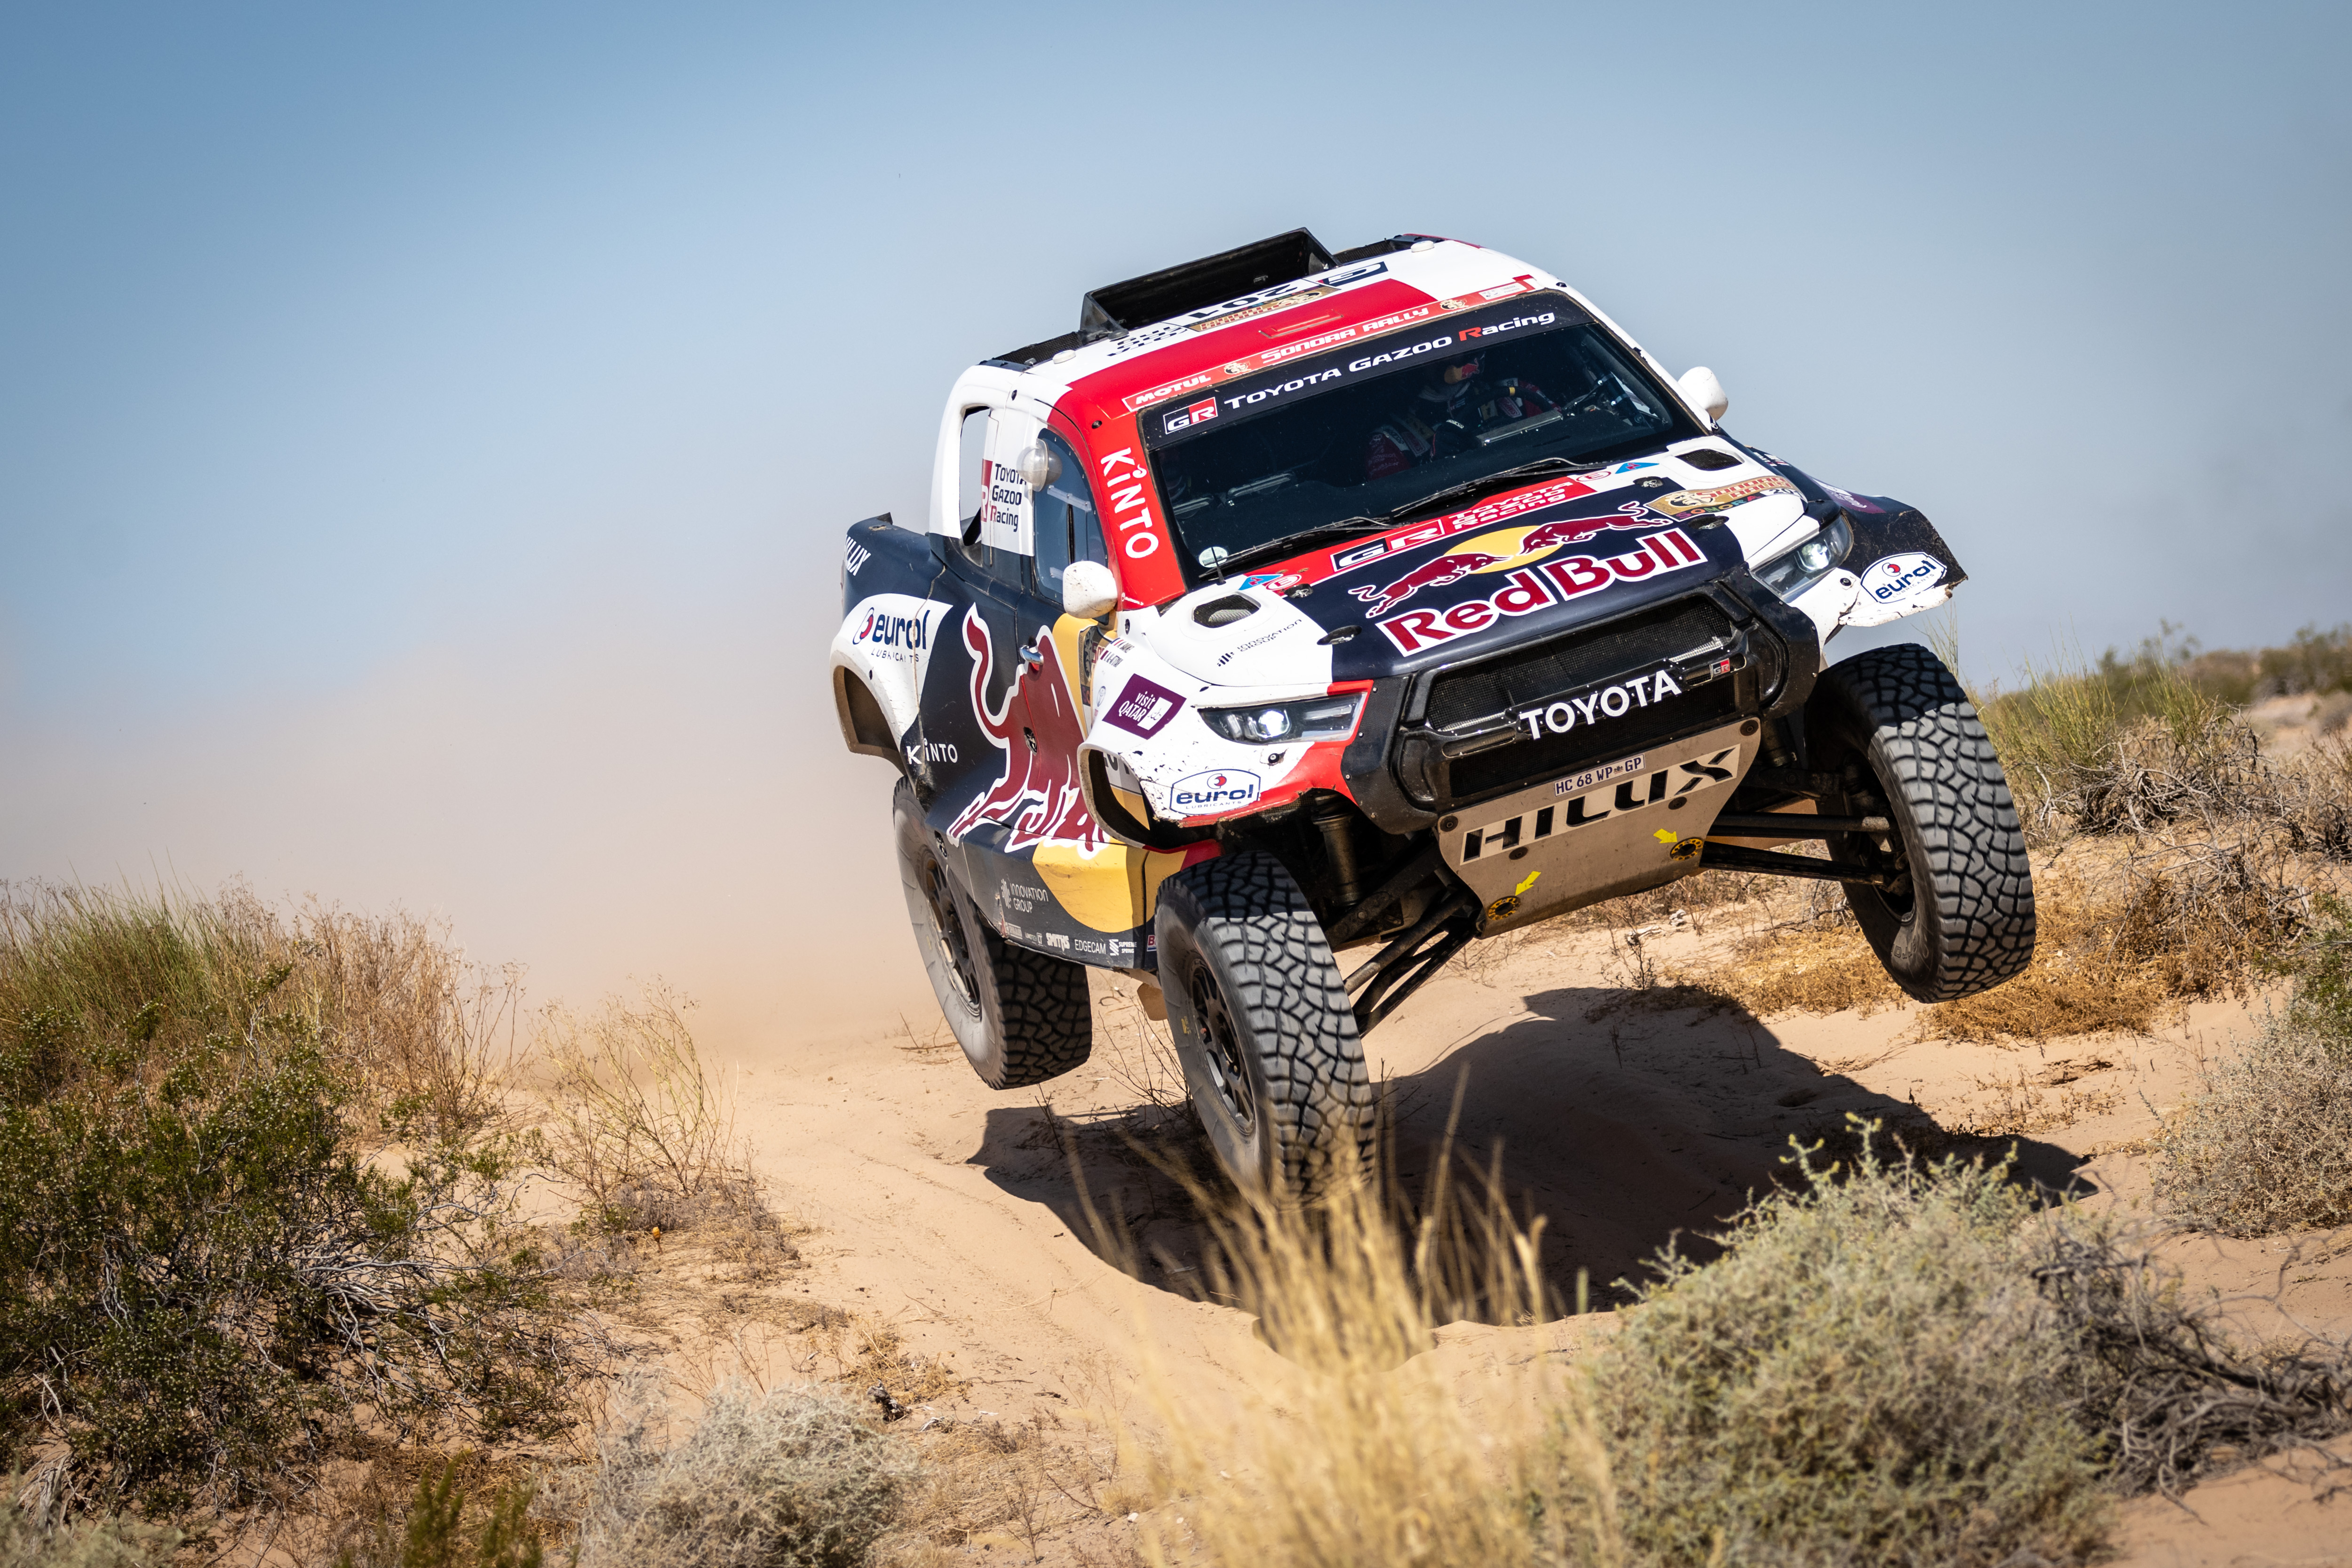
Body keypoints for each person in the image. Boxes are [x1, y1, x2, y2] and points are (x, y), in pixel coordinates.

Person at [1364, 356, 1557, 478]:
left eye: (1453, 348)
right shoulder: (1389, 438)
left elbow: (1568, 428)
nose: (1445, 357)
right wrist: (1433, 467)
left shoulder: (1517, 395)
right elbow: (1394, 506)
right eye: (1432, 354)